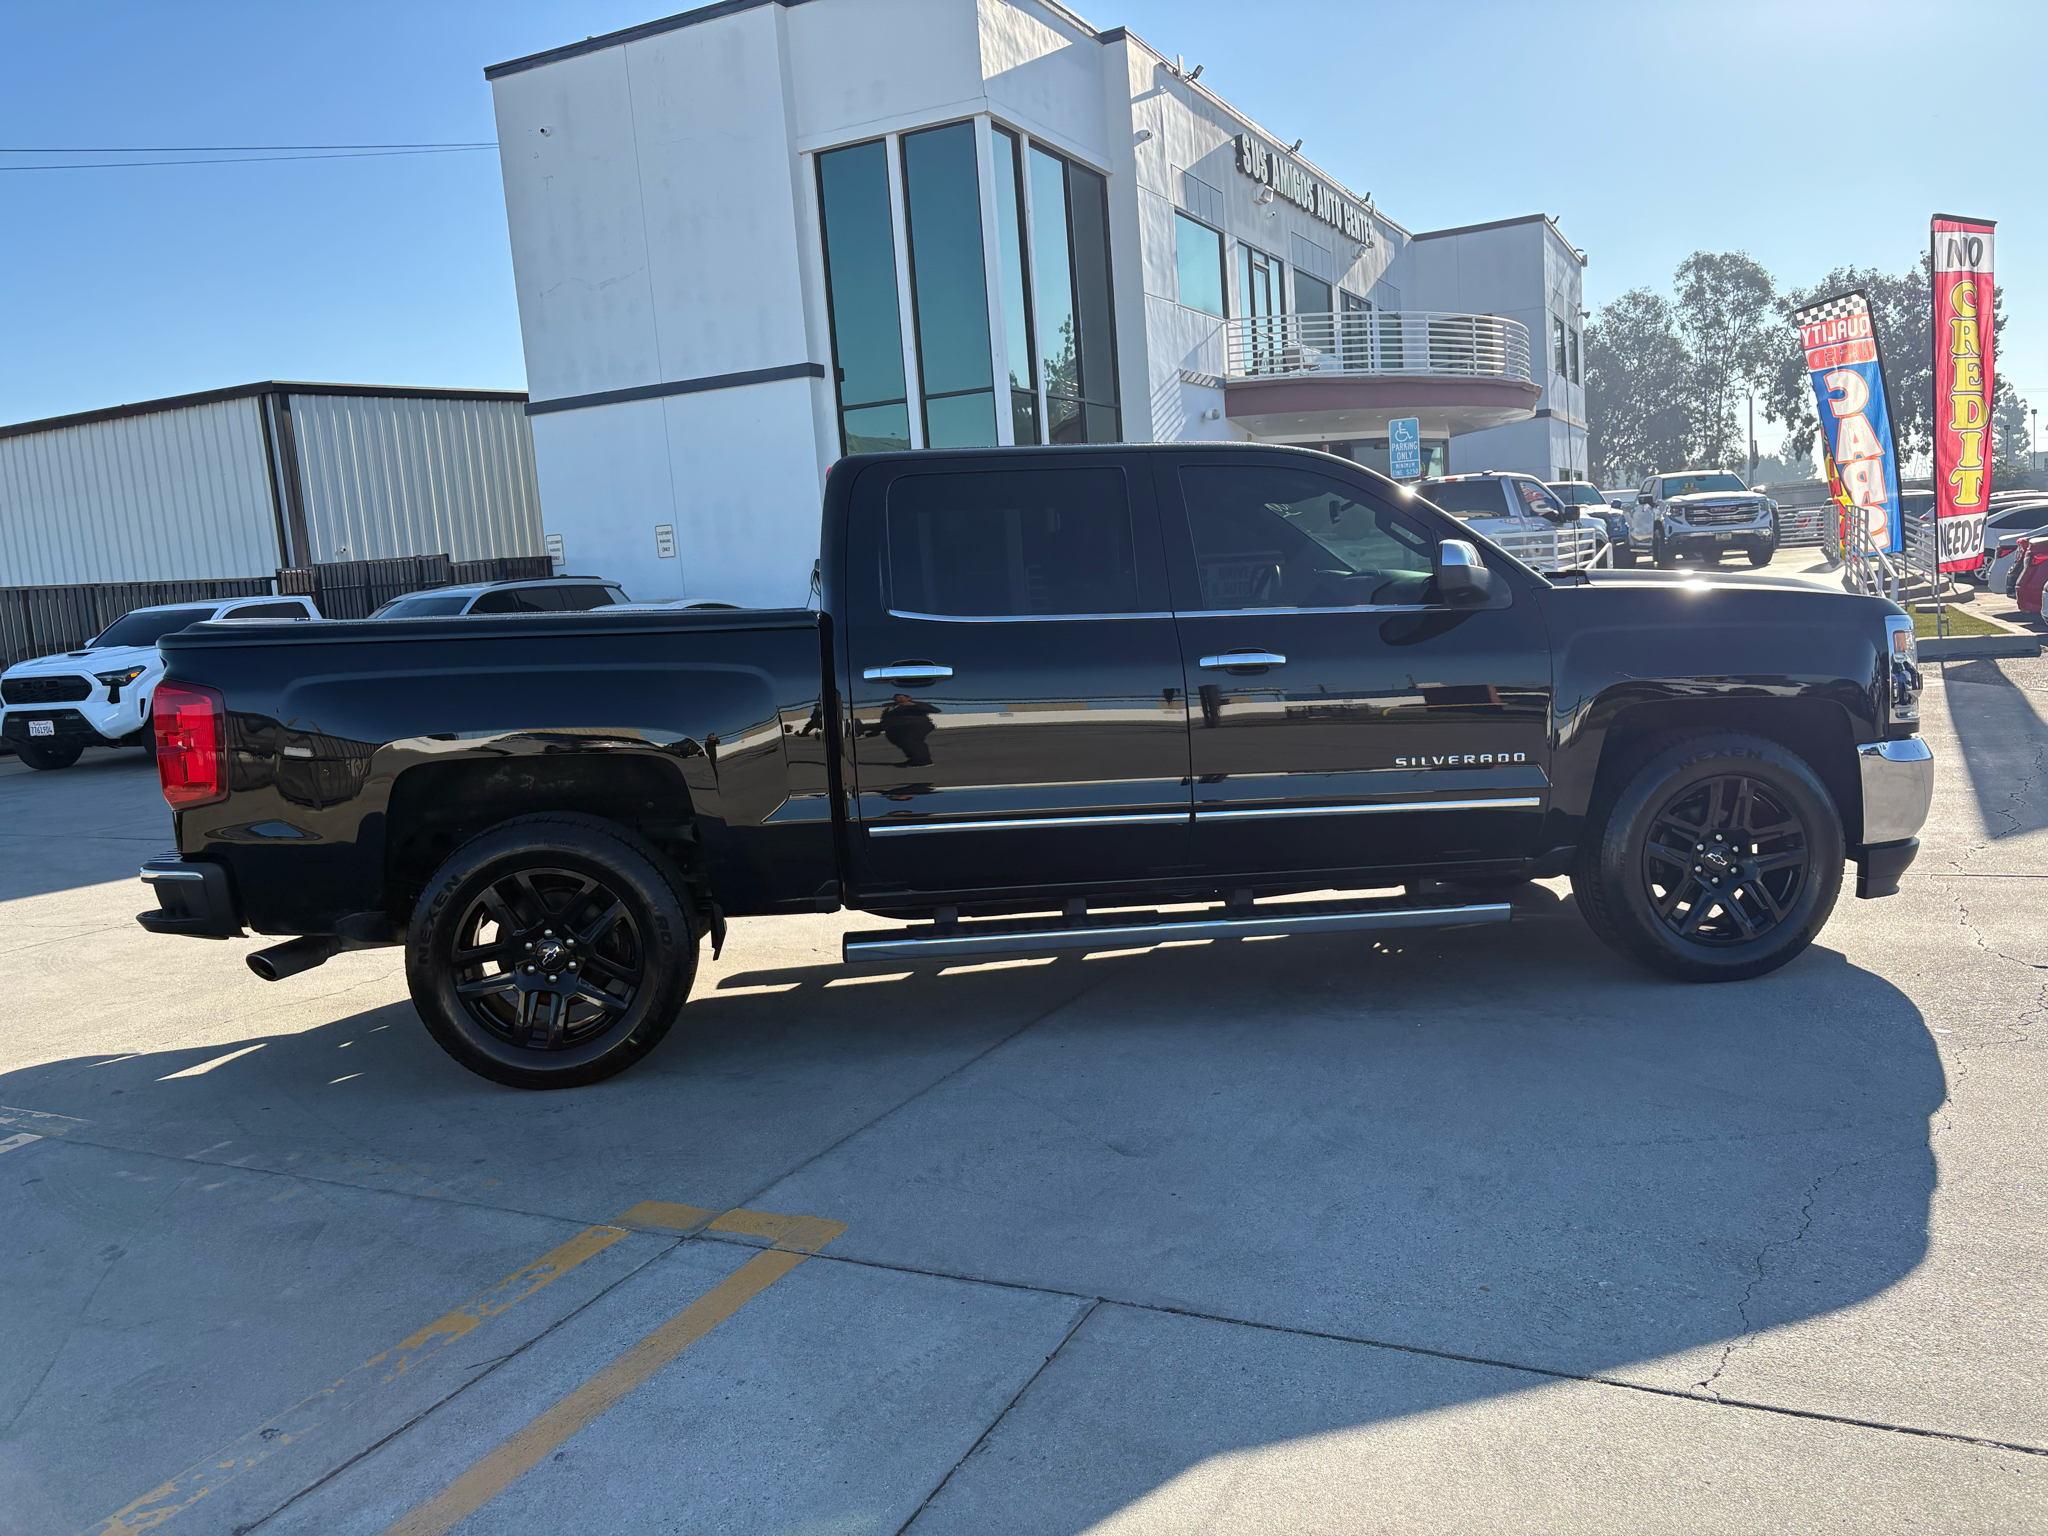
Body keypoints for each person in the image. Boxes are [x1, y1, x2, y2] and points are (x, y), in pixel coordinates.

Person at [876, 693, 938, 767]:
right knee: (902, 743)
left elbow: (935, 710)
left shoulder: (916, 705)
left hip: (916, 725)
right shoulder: (891, 708)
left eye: (900, 697)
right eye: (896, 698)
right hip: (897, 728)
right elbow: (885, 718)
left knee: (911, 740)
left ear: (908, 698)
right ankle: (914, 759)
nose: (898, 699)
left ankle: (923, 761)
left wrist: (912, 705)